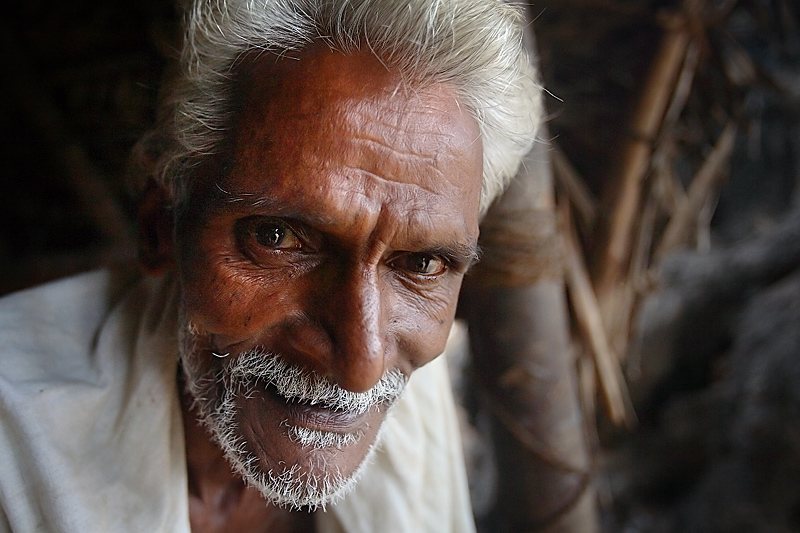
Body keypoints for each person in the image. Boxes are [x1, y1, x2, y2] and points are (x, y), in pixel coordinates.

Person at [0, 0, 542, 531]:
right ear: (161, 224)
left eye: (421, 263)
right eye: (277, 238)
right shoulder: (15, 444)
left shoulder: (418, 407)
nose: (361, 364)